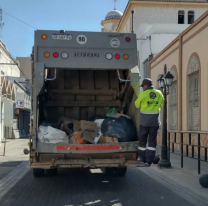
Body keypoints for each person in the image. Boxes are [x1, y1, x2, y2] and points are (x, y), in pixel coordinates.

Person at [135, 78, 164, 167]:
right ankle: (149, 161)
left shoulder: (143, 94)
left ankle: (142, 160)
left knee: (142, 141)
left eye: (143, 86)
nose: (143, 88)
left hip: (144, 122)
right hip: (155, 122)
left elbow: (137, 105)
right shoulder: (159, 93)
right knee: (152, 142)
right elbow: (161, 103)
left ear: (146, 85)